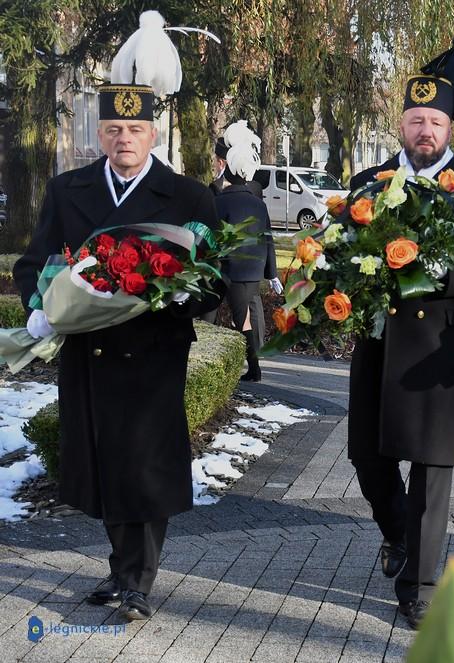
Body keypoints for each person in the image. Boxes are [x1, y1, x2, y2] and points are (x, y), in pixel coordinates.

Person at [12, 12, 224, 621]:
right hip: (89, 351)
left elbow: (212, 272)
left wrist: (189, 295)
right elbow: (33, 262)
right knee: (105, 464)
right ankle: (120, 569)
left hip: (153, 351)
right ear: (99, 134)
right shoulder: (69, 190)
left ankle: (137, 580)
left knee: (144, 464)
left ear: (152, 135)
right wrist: (40, 307)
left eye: (134, 128)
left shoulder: (188, 197)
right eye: (112, 129)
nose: (123, 139)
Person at [345, 34, 454, 629]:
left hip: (438, 343)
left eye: (435, 120)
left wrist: (438, 273)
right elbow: (343, 249)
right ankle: (395, 530)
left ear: (449, 127)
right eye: (415, 119)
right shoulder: (368, 182)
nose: (424, 130)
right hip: (377, 343)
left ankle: (418, 587)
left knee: (431, 469)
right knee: (367, 457)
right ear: (401, 122)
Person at [213, 121, 282, 382]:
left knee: (241, 320)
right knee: (242, 317)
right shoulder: (257, 203)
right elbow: (267, 239)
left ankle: (254, 369)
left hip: (229, 269)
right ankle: (250, 366)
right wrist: (271, 273)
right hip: (251, 270)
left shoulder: (221, 201)